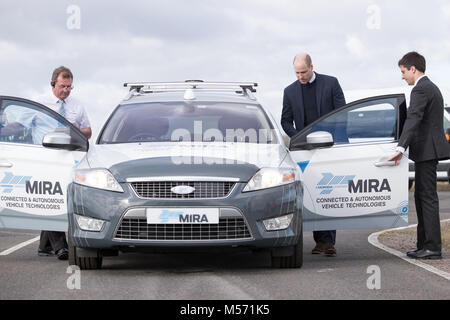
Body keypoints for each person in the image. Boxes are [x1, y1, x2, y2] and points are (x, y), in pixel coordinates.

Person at [281, 53, 346, 256]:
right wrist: (299, 137)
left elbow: (342, 113)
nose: (300, 76)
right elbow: (285, 121)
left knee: (329, 189)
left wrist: (335, 141)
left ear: (312, 67)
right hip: (305, 150)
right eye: (297, 72)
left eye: (303, 72)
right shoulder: (289, 91)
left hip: (330, 147)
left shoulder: (331, 83)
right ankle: (322, 241)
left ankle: (327, 242)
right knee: (313, 191)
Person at [388, 52, 450, 260]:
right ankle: (424, 245)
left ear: (413, 69)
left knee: (427, 199)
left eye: (404, 72)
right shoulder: (429, 87)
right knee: (422, 198)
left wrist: (400, 148)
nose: (403, 76)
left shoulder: (421, 89)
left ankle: (432, 247)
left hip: (427, 152)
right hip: (426, 152)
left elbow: (413, 119)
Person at [36, 66, 92, 260]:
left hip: (67, 158)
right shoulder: (39, 103)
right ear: (53, 84)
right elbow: (21, 125)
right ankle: (61, 246)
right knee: (49, 198)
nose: (66, 91)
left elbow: (88, 131)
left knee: (61, 197)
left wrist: (71, 130)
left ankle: (45, 246)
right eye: (63, 86)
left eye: (69, 87)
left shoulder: (77, 105)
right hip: (44, 157)